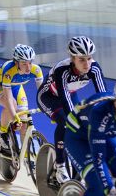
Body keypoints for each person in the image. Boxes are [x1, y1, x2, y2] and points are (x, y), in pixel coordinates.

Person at [37, 36, 106, 184]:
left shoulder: (94, 68)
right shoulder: (63, 70)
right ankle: (60, 165)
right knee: (66, 122)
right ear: (72, 58)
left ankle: (78, 163)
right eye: (81, 59)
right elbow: (65, 101)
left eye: (89, 58)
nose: (87, 63)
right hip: (49, 96)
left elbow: (103, 98)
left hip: (71, 93)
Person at [0, 44, 44, 157]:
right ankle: (3, 133)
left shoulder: (36, 70)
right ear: (16, 62)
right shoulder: (9, 70)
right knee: (12, 104)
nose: (28, 68)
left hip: (16, 86)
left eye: (30, 63)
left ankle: (25, 155)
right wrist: (14, 117)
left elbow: (42, 93)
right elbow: (8, 98)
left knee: (24, 121)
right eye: (24, 64)